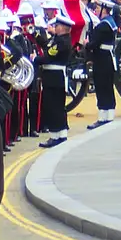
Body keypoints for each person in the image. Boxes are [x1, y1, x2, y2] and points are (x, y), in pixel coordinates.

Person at [36, 8, 74, 148]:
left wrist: (36, 59)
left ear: (63, 28)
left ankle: (55, 135)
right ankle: (60, 134)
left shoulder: (62, 42)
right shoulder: (59, 39)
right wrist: (37, 37)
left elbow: (48, 56)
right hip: (54, 76)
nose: (55, 27)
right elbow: (47, 46)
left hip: (54, 77)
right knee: (56, 106)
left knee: (53, 106)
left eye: (57, 26)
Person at [85, 0, 119, 130]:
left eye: (98, 8)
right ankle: (109, 114)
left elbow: (94, 44)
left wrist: (87, 45)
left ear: (104, 10)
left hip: (102, 58)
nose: (96, 10)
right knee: (107, 86)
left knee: (101, 86)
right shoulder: (111, 23)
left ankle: (103, 116)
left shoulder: (103, 26)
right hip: (108, 57)